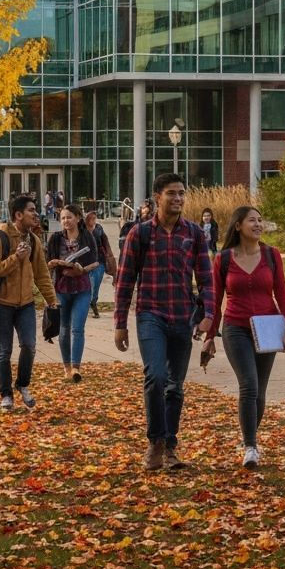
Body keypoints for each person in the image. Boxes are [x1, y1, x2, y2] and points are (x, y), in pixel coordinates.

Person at [114, 173, 215, 472]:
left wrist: (209, 314)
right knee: (156, 376)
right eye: (172, 193)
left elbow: (207, 279)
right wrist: (120, 322)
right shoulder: (140, 233)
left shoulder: (194, 234)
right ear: (158, 196)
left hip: (183, 317)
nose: (178, 199)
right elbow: (124, 281)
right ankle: (155, 441)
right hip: (150, 315)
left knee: (175, 386)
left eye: (182, 193)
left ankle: (170, 445)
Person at [202, 206, 285, 469]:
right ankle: (251, 447)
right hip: (236, 328)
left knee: (260, 392)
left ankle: (248, 436)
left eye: (260, 220)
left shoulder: (271, 255)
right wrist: (210, 336)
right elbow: (215, 299)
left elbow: (282, 293)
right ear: (238, 226)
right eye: (251, 220)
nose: (258, 224)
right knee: (249, 385)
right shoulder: (223, 260)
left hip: (268, 329)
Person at [0, 194, 57, 412]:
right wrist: (16, 258)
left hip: (26, 303)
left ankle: (23, 385)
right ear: (18, 215)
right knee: (4, 352)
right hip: (2, 303)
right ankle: (6, 394)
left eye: (35, 209)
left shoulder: (34, 241)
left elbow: (42, 275)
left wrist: (52, 301)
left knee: (29, 346)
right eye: (30, 210)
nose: (35, 214)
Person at [46, 203, 100, 382]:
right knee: (64, 328)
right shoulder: (55, 238)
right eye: (62, 218)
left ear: (78, 218)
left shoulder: (87, 237)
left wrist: (81, 269)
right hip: (61, 289)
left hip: (82, 288)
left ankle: (76, 367)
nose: (65, 221)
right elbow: (46, 264)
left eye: (69, 217)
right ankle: (66, 367)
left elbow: (95, 262)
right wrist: (54, 263)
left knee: (77, 328)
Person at [84, 209, 116, 318]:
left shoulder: (99, 228)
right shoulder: (82, 230)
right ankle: (87, 306)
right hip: (85, 263)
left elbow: (105, 242)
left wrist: (110, 257)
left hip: (99, 262)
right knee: (86, 286)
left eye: (94, 218)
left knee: (95, 285)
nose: (93, 220)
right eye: (90, 218)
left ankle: (93, 303)